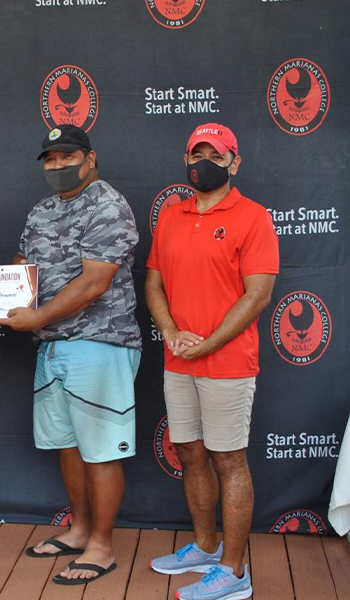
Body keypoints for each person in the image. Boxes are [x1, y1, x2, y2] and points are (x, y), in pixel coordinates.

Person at [0, 125, 141, 585]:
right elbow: (24, 263)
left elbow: (96, 281)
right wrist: (6, 289)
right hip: (53, 346)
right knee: (69, 446)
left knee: (98, 451)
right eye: (50, 160)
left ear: (90, 158)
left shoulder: (108, 205)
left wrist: (36, 318)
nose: (58, 166)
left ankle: (102, 546)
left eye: (67, 157)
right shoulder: (42, 210)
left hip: (99, 342)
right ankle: (78, 531)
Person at [145, 124, 278, 600]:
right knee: (190, 453)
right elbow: (154, 283)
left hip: (228, 362)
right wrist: (172, 333)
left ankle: (234, 572)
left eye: (215, 155)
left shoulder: (253, 216)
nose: (204, 161)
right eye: (196, 153)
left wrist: (209, 343)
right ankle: (204, 546)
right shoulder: (171, 215)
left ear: (234, 162)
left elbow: (258, 295)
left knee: (229, 459)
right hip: (179, 359)